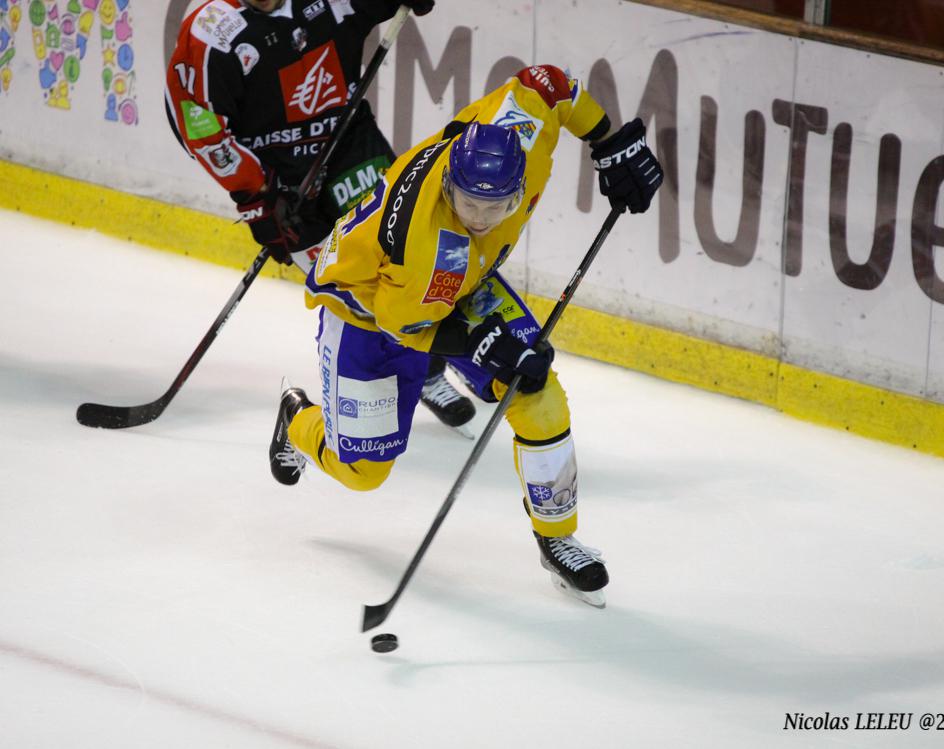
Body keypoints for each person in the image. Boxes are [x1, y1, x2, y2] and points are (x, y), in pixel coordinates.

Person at [267, 64, 663, 606]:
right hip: (368, 314)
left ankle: (557, 538)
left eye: (492, 205)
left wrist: (608, 140)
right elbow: (405, 323)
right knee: (363, 473)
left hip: (455, 288)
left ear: (519, 184)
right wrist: (480, 344)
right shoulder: (427, 246)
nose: (479, 216)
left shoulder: (517, 132)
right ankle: (298, 421)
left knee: (537, 394)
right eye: (466, 202)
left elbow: (546, 84)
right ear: (450, 182)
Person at [164, 0, 475, 430]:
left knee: (406, 251)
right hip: (281, 179)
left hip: (348, 143)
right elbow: (201, 130)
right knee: (351, 287)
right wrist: (259, 200)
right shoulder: (212, 32)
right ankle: (380, 379)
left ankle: (430, 368)